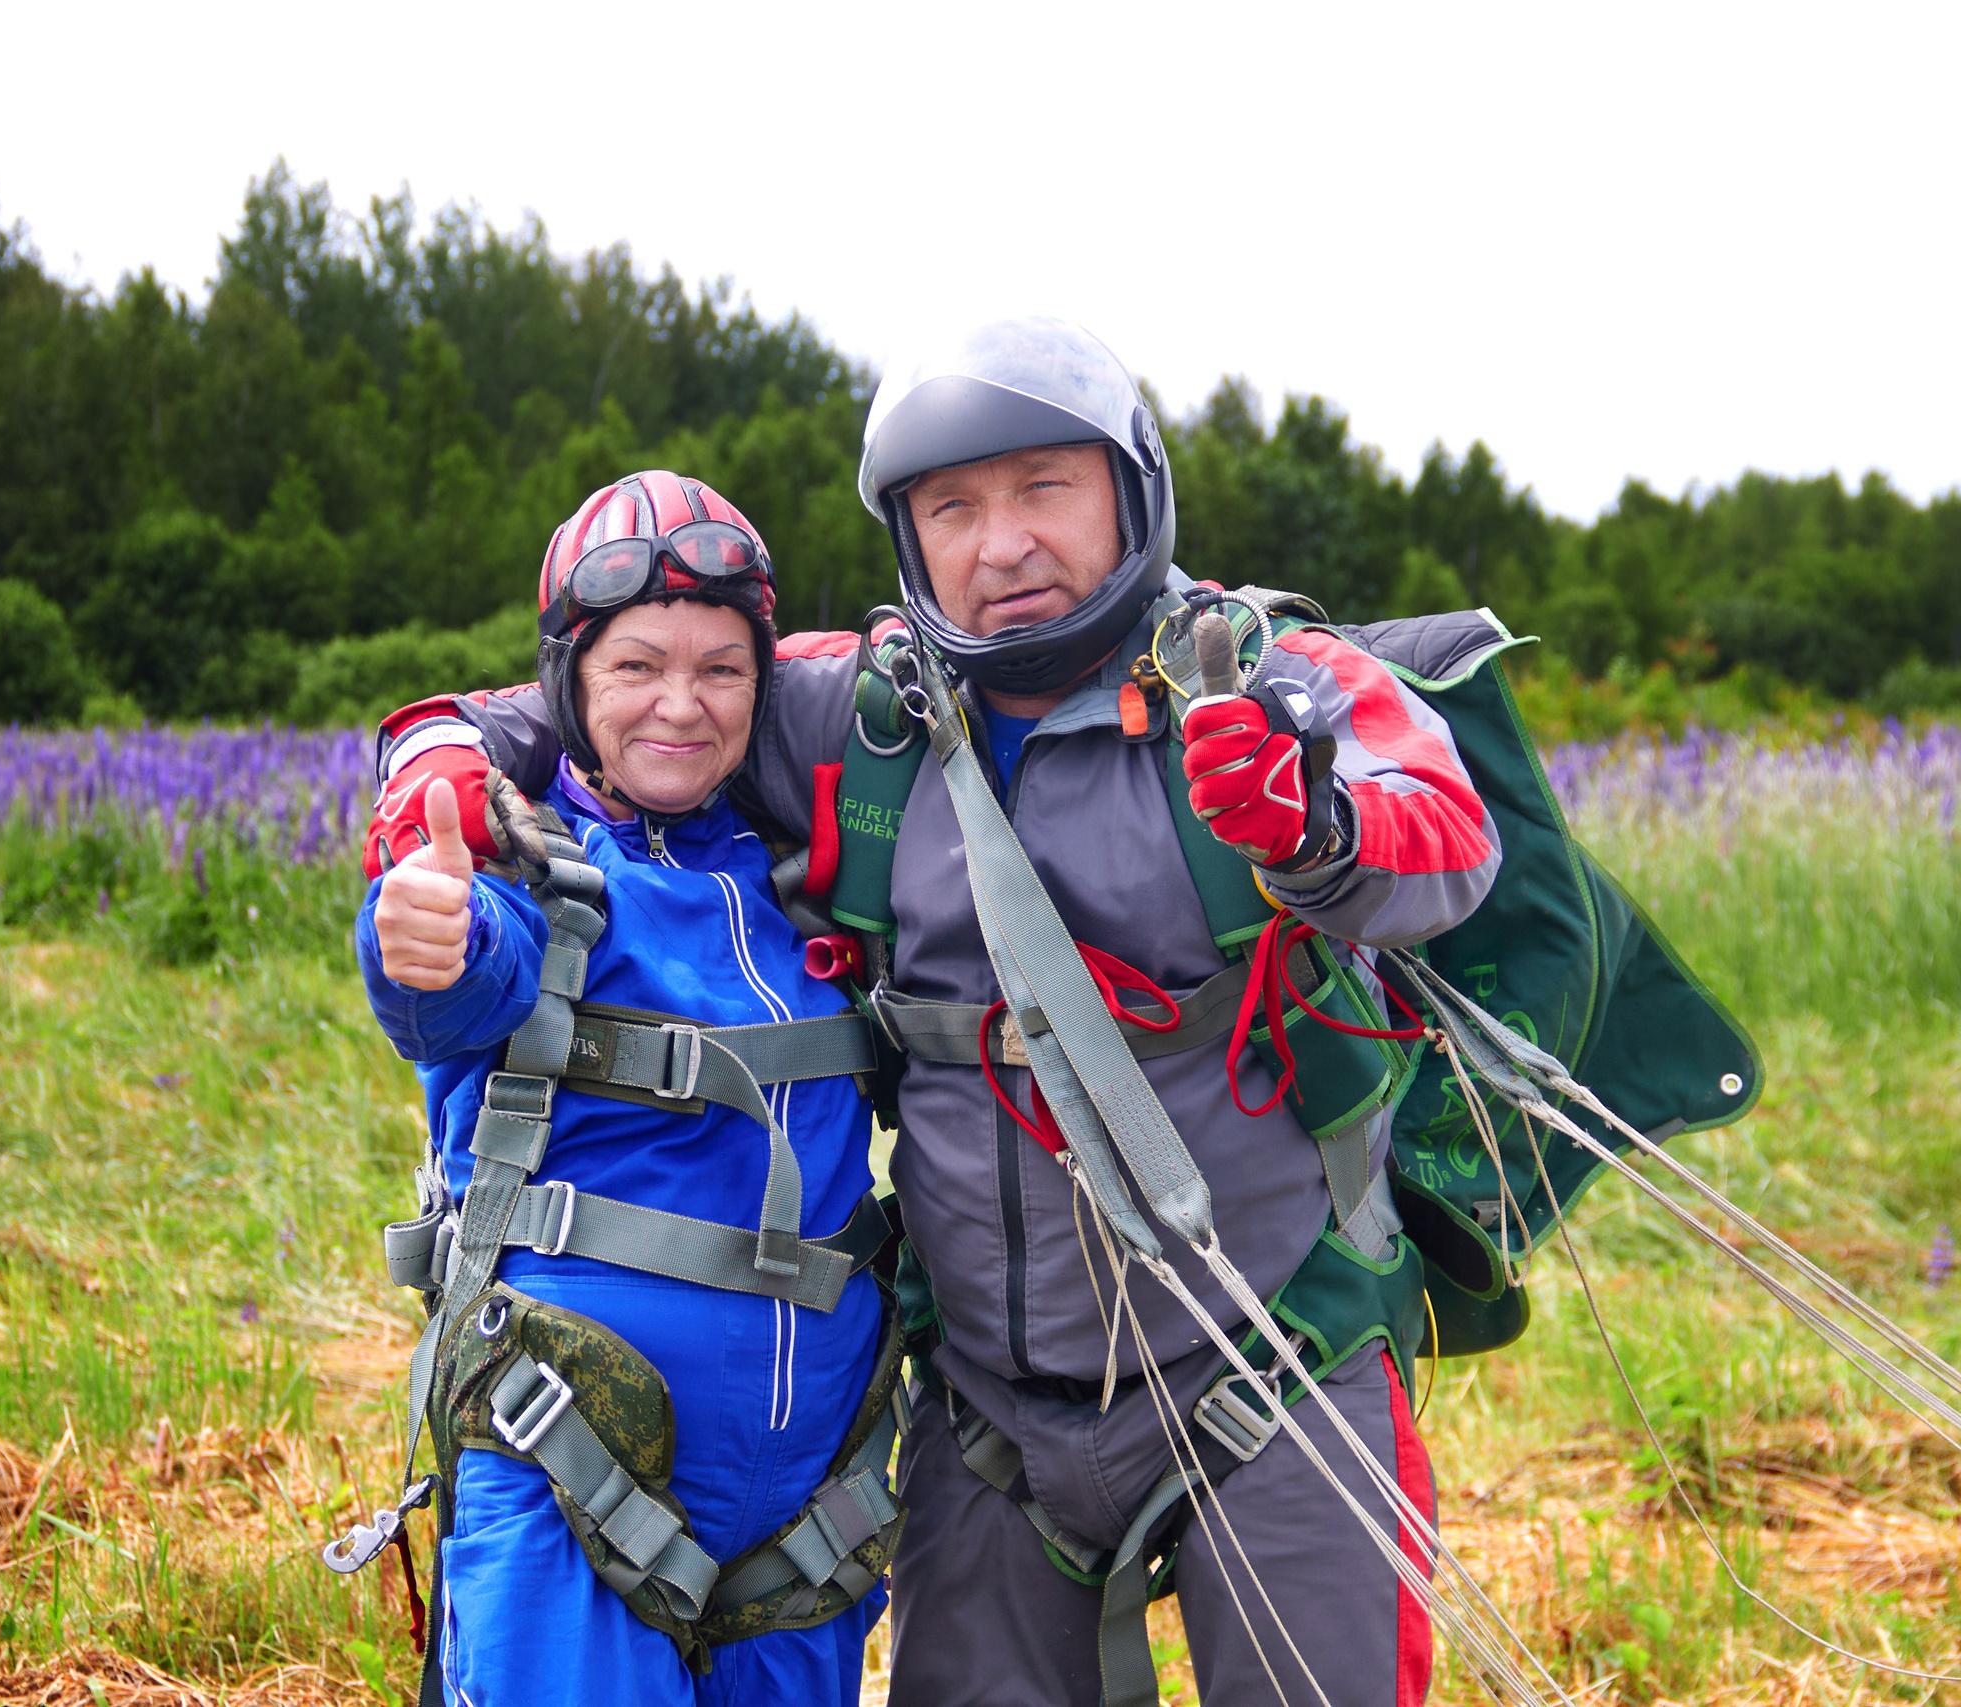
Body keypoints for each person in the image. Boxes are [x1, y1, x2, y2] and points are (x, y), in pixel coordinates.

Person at [366, 320, 1501, 1707]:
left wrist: (1312, 824)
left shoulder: (1256, 676)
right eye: (953, 507)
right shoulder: (859, 715)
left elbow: (1445, 834)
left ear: (1129, 494)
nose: (1003, 542)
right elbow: (606, 696)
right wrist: (434, 754)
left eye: (1044, 490)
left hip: (1274, 1359)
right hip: (994, 1420)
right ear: (909, 537)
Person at [354, 471, 897, 1707]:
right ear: (568, 683)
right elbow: (445, 976)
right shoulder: (524, 861)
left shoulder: (814, 878)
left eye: (721, 670)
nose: (682, 706)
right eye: (637, 667)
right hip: (569, 1464)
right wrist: (419, 930)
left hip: (810, 1516)